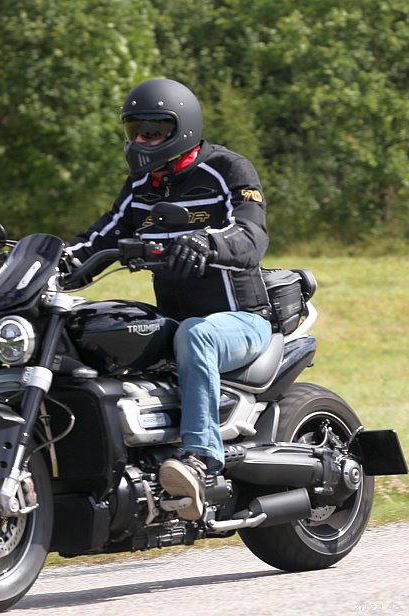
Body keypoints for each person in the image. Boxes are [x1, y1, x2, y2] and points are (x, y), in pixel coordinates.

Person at [67, 78, 272, 521]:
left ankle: (200, 463)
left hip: (241, 320)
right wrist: (44, 262)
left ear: (182, 129)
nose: (143, 140)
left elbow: (251, 234)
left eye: (154, 131)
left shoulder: (227, 170)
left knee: (197, 335)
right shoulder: (142, 186)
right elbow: (99, 238)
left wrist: (206, 243)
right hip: (175, 323)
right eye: (136, 131)